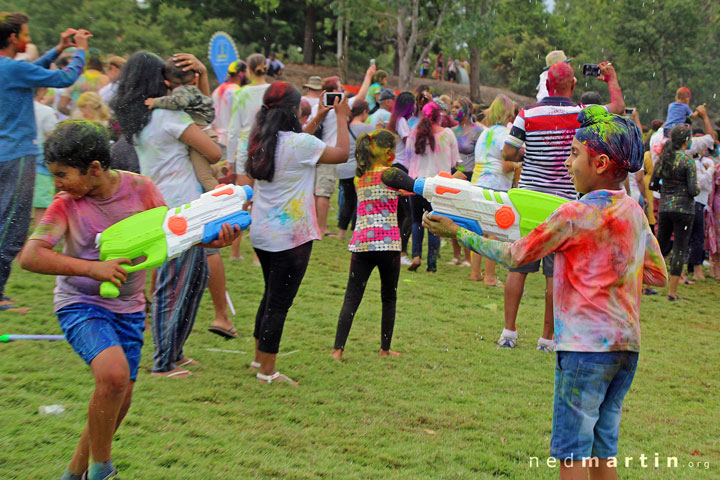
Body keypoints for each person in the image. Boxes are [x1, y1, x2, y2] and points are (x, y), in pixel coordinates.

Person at [424, 106, 667, 480]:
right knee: (603, 453)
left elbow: (514, 254)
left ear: (600, 162)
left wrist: (459, 233)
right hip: (626, 347)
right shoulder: (633, 211)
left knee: (572, 453)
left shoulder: (572, 215)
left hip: (584, 350)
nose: (568, 164)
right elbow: (657, 274)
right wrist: (612, 263)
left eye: (573, 154)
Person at [19, 120, 167, 480]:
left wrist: (213, 240)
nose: (56, 183)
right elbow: (31, 256)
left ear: (95, 169)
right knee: (113, 376)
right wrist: (93, 269)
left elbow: (167, 237)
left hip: (129, 308)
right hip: (79, 304)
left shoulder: (142, 190)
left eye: (62, 174)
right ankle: (102, 471)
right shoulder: (65, 205)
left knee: (117, 398)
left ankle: (74, 474)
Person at [113, 51, 240, 376]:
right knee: (175, 286)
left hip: (163, 206)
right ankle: (163, 362)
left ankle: (176, 351)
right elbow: (213, 149)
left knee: (192, 280)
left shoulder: (140, 119)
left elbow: (202, 115)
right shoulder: (169, 118)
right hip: (181, 211)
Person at [499, 60, 625, 352]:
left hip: (528, 202)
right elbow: (618, 106)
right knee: (555, 274)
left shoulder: (527, 114)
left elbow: (507, 151)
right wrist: (610, 78)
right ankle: (547, 339)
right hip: (564, 205)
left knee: (517, 266)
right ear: (572, 85)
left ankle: (508, 332)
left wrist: (530, 150)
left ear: (547, 84)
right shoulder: (582, 114)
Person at [245, 82, 352, 384]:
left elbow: (296, 147)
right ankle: (268, 372)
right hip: (291, 239)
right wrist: (341, 118)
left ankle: (258, 359)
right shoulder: (299, 145)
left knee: (270, 297)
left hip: (263, 234)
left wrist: (318, 117)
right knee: (278, 304)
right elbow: (342, 153)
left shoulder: (260, 139)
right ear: (294, 111)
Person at [0, 12, 90, 313]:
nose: (28, 37)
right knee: (12, 227)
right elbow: (65, 78)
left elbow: (28, 72)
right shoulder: (12, 69)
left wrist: (57, 49)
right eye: (25, 32)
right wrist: (79, 50)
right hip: (16, 156)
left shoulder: (8, 69)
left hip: (5, 155)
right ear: (13, 38)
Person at [331, 130, 402, 360]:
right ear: (389, 153)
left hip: (362, 244)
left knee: (352, 297)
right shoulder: (392, 174)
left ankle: (337, 350)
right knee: (389, 297)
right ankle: (385, 349)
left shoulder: (358, 177)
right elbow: (412, 187)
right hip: (388, 246)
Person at [306, 66, 375, 236]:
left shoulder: (317, 107)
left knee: (316, 192)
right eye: (339, 87)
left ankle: (315, 225)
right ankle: (321, 228)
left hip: (315, 152)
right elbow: (361, 97)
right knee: (324, 192)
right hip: (328, 153)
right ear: (333, 91)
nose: (342, 90)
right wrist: (368, 75)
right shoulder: (339, 105)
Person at [144, 56, 218, 192]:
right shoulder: (194, 92)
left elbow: (179, 102)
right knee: (207, 171)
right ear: (195, 79)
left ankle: (223, 199)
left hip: (203, 135)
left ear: (167, 83)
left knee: (205, 177)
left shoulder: (180, 93)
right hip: (207, 132)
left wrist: (156, 102)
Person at [405, 101, 460, 272]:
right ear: (439, 116)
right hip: (439, 186)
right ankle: (432, 265)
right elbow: (454, 161)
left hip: (416, 184)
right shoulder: (447, 134)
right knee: (435, 223)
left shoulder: (413, 135)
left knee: (416, 221)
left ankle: (416, 256)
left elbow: (408, 160)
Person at [470, 95, 518, 286]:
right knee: (495, 232)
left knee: (479, 231)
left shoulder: (485, 133)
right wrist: (519, 164)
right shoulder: (505, 135)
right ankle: (489, 276)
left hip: (478, 183)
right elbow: (506, 166)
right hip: (496, 186)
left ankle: (475, 273)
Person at [649, 124, 699, 301]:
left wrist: (668, 190)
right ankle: (672, 293)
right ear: (687, 141)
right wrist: (695, 188)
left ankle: (647, 284)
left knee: (659, 247)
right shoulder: (687, 161)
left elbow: (652, 185)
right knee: (679, 248)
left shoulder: (663, 159)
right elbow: (693, 190)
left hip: (665, 208)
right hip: (684, 209)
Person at [448, 96, 483, 267]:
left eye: (457, 107)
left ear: (467, 110)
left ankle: (469, 259)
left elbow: (480, 156)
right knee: (452, 217)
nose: (453, 110)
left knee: (467, 218)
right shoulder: (451, 131)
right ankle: (456, 256)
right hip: (454, 175)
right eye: (452, 107)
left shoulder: (478, 131)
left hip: (470, 176)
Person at [335, 100, 373, 240]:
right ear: (364, 112)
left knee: (348, 201)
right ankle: (358, 231)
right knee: (361, 201)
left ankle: (341, 232)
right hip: (358, 170)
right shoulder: (367, 128)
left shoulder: (345, 125)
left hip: (343, 169)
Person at [387, 92, 415, 264]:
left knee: (398, 213)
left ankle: (394, 250)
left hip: (396, 166)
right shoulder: (402, 122)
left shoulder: (395, 120)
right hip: (402, 168)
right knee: (409, 214)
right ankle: (402, 252)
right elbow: (409, 143)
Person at [32, 87, 59, 227]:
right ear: (41, 90)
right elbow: (53, 137)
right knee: (42, 208)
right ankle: (38, 242)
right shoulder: (45, 111)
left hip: (13, 160)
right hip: (40, 165)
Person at [58, 48, 109, 115]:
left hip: (78, 122)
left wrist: (74, 114)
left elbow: (61, 106)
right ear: (102, 64)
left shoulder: (75, 79)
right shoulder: (107, 81)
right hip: (99, 121)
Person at [211, 60, 245, 157]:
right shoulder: (240, 93)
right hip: (235, 144)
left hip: (218, 141)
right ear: (240, 74)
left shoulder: (217, 90)